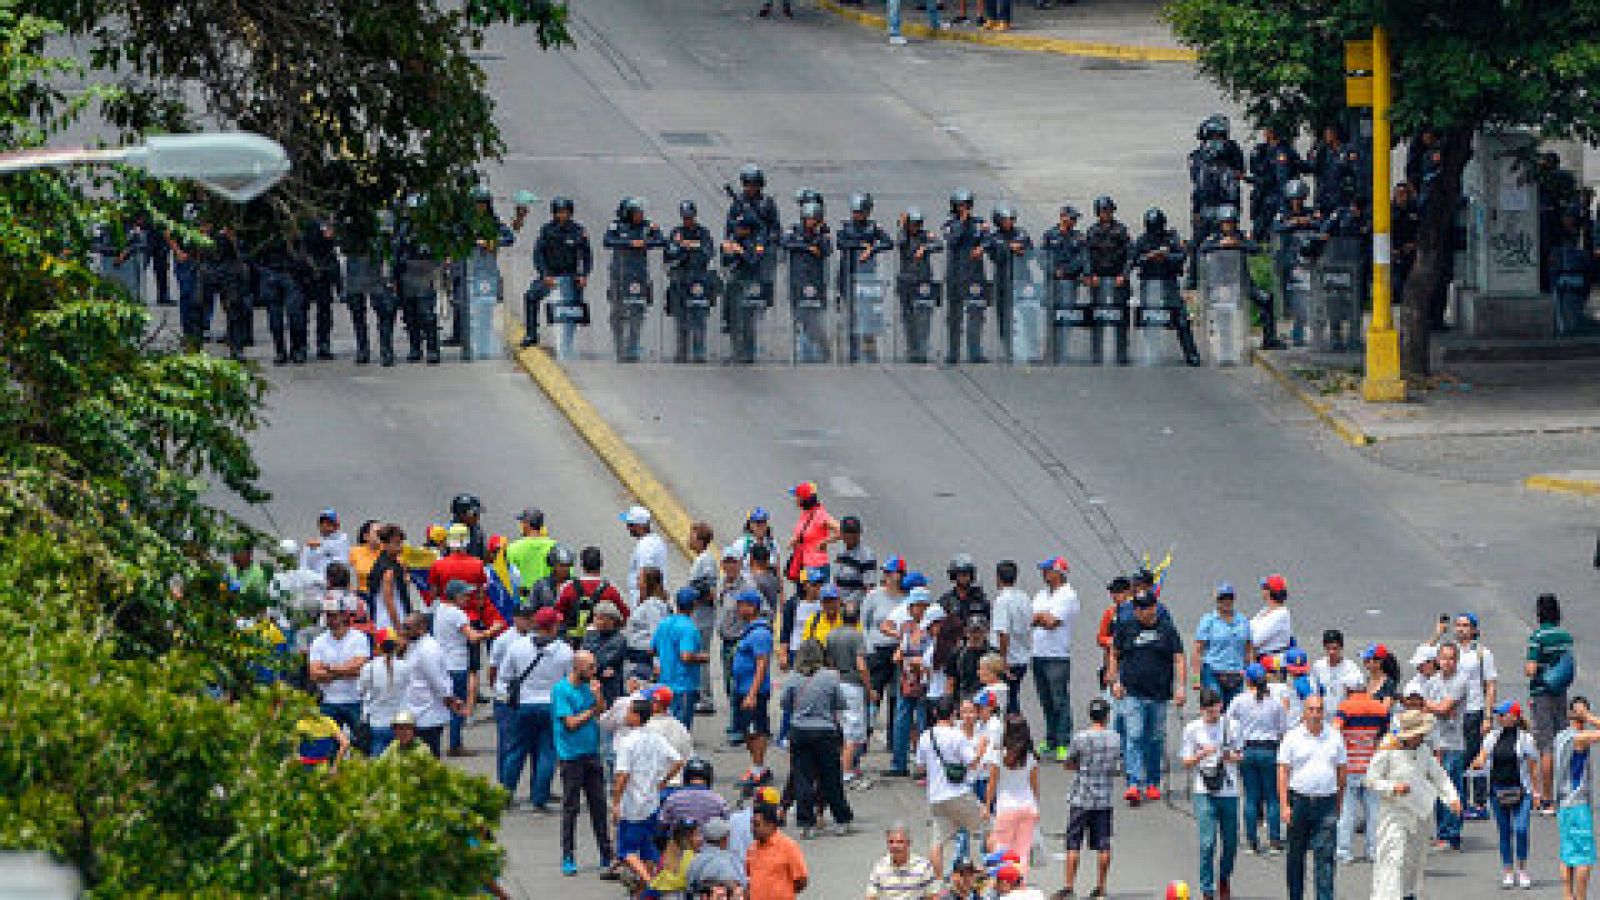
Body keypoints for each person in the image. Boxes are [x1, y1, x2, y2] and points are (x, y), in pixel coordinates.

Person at [1366, 708, 1460, 900]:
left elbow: (1439, 776)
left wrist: (1452, 798)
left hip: (1419, 813)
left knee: (1414, 861)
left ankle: (1409, 895)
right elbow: (1371, 780)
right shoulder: (1387, 750)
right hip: (1395, 813)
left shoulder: (1423, 750)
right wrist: (1393, 787)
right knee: (1394, 858)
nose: (1421, 737)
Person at [1107, 590, 1186, 803]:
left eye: (1144, 607)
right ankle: (1133, 782)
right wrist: (1114, 681)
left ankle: (1152, 781)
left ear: (1153, 607)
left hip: (1159, 694)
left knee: (1154, 738)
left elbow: (1178, 657)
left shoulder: (1166, 628)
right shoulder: (1127, 627)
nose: (1140, 611)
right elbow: (1114, 653)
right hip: (1132, 692)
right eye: (1137, 607)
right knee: (1134, 735)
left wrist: (1180, 687)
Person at [498, 607, 575, 811]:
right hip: (551, 704)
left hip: (524, 704)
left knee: (516, 751)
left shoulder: (518, 646)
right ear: (554, 626)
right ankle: (539, 798)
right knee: (547, 753)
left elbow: (504, 676)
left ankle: (506, 794)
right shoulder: (565, 651)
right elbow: (570, 681)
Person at [1277, 694, 1346, 900]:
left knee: (1325, 858)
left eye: (1319, 709)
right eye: (1311, 709)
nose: (1316, 714)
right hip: (1299, 801)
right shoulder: (1292, 736)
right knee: (1295, 856)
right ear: (1304, 712)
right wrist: (1284, 805)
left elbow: (1342, 771)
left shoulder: (1334, 736)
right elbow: (1283, 771)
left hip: (1326, 803)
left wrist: (1339, 804)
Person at [783, 638, 855, 837]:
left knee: (802, 778)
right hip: (825, 732)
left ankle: (807, 822)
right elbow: (840, 703)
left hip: (799, 731)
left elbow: (785, 703)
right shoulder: (830, 677)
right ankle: (842, 819)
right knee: (831, 777)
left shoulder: (793, 677)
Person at [552, 649, 614, 876]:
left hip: (591, 753)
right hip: (571, 756)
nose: (593, 671)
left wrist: (598, 697)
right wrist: (592, 709)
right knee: (571, 808)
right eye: (589, 667)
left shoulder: (591, 686)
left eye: (594, 666)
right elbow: (570, 723)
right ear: (576, 667)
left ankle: (606, 853)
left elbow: (602, 711)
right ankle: (568, 855)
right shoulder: (562, 690)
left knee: (599, 806)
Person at [1433, 611, 1498, 819]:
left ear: (1474, 630)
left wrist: (1488, 715)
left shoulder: (1482, 654)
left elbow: (1490, 685)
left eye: (1465, 625)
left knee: (1473, 755)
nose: (1460, 628)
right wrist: (1437, 635)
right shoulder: (1447, 651)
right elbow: (1424, 660)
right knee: (1456, 756)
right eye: (1458, 625)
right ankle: (1461, 800)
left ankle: (1479, 802)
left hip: (1473, 709)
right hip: (1452, 710)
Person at [612, 698, 685, 879]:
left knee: (626, 852)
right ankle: (651, 882)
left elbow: (623, 775)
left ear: (637, 717)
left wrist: (615, 803)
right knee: (647, 850)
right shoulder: (656, 739)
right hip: (652, 803)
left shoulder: (627, 742)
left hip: (632, 806)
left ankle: (649, 882)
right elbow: (678, 761)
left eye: (629, 712)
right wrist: (663, 781)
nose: (626, 715)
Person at [1472, 700, 1541, 889]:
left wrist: (1536, 792)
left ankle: (1522, 869)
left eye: (1504, 714)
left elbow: (1533, 767)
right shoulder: (1492, 737)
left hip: (1521, 791)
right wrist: (1477, 762)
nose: (1500, 718)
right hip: (1498, 791)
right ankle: (1508, 871)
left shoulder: (1525, 739)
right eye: (1498, 715)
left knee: (1521, 829)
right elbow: (1482, 756)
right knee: (1504, 831)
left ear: (1515, 716)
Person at [1182, 688, 1242, 900]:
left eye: (1214, 711)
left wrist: (1228, 756)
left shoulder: (1232, 725)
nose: (1212, 715)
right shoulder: (1192, 729)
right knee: (1207, 842)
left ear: (1221, 706)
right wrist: (1201, 754)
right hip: (1203, 789)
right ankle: (1207, 888)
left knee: (1231, 842)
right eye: (1207, 712)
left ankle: (1224, 877)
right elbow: (1186, 761)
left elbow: (1240, 755)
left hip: (1228, 789)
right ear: (1201, 710)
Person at [916, 696, 983, 874]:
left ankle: (937, 883)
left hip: (936, 796)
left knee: (938, 842)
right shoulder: (957, 735)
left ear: (935, 712)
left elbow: (920, 765)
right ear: (954, 714)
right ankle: (989, 877)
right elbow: (972, 762)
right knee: (986, 830)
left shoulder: (925, 736)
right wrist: (981, 750)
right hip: (958, 793)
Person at [1062, 696, 1120, 899]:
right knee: (1103, 843)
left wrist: (1081, 766)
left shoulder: (1080, 737)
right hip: (1103, 797)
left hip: (1081, 795)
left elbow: (1069, 762)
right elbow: (1116, 766)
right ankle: (1101, 887)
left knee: (1073, 842)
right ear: (1106, 716)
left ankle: (1069, 886)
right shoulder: (1115, 738)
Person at [1229, 662, 1287, 856]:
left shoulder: (1240, 700)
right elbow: (1281, 730)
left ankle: (1252, 841)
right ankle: (1274, 839)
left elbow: (1230, 722)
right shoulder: (1275, 703)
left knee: (1251, 797)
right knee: (1272, 796)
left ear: (1248, 680)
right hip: (1269, 750)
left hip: (1248, 749)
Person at [525, 196, 592, 350]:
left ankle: (567, 342)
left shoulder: (579, 231)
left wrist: (583, 275)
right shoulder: (547, 230)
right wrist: (544, 274)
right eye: (559, 212)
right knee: (531, 296)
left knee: (572, 308)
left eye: (565, 212)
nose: (562, 215)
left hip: (570, 276)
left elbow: (587, 256)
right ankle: (531, 334)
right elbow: (538, 254)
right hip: (551, 276)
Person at [1529, 592, 1576, 814]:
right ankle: (1566, 792)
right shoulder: (1565, 636)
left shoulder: (1538, 637)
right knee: (1563, 742)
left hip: (1542, 694)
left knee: (1545, 747)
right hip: (1560, 693)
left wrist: (1540, 669)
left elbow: (1530, 669)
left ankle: (1547, 799)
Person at [1334, 675, 1388, 863]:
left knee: (1347, 811)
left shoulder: (1345, 707)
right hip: (1372, 765)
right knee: (1374, 812)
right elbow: (1384, 734)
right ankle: (1373, 851)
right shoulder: (1379, 707)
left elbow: (1335, 730)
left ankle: (1344, 851)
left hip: (1350, 765)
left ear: (1349, 689)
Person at [435, 579, 492, 756]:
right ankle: (455, 744)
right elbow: (473, 637)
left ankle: (450, 742)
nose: (468, 598)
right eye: (465, 595)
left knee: (448, 703)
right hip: (457, 663)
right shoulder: (457, 614)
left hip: (444, 662)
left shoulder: (440, 610)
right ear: (457, 596)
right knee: (457, 706)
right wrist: (492, 631)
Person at [1030, 557, 1077, 759]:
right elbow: (1030, 619)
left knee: (1060, 700)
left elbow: (1052, 622)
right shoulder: (1041, 594)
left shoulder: (1068, 595)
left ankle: (1064, 741)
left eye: (1048, 570)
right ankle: (1051, 739)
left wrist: (1041, 617)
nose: (1044, 574)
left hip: (1057, 655)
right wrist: (1041, 616)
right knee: (1046, 700)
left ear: (1059, 572)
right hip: (1038, 653)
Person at [823, 598, 871, 785]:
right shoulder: (858, 636)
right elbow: (861, 666)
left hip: (836, 683)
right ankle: (847, 771)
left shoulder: (832, 635)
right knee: (853, 731)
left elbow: (829, 662)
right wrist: (870, 688)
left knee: (839, 728)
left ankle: (841, 766)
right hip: (853, 686)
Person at [731, 589, 777, 790]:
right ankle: (757, 766)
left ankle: (758, 769)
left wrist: (752, 693)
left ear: (753, 607)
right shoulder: (750, 630)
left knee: (756, 731)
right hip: (743, 689)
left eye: (742, 604)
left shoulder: (760, 633)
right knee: (747, 731)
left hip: (753, 691)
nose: (739, 608)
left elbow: (762, 664)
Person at [1428, 640, 1471, 850]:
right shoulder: (1433, 681)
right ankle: (1441, 832)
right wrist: (1433, 707)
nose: (1447, 662)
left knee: (1452, 787)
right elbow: (1429, 708)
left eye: (1451, 658)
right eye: (1443, 658)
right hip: (1435, 741)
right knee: (1437, 787)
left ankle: (1452, 834)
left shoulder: (1460, 681)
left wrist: (1433, 706)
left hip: (1453, 743)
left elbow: (1444, 709)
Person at [985, 714, 1040, 871]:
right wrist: (1036, 806)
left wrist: (987, 806)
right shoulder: (1030, 757)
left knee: (1002, 850)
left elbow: (992, 783)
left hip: (1006, 807)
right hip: (1028, 806)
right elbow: (1034, 785)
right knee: (1022, 853)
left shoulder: (1000, 755)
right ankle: (1020, 883)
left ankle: (1005, 886)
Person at [1558, 698, 1600, 900]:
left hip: (1563, 805)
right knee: (1584, 858)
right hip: (1578, 805)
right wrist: (1587, 716)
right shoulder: (1579, 738)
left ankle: (1568, 896)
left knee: (1567, 854)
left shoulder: (1560, 737)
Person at [308, 594, 369, 735]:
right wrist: (346, 671)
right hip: (329, 701)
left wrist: (329, 669)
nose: (331, 620)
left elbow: (359, 668)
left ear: (343, 615)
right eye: (328, 616)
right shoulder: (318, 641)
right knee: (329, 746)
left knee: (361, 743)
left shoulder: (359, 638)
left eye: (334, 615)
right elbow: (314, 674)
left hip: (355, 699)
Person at [1083, 195, 1131, 365]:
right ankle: (1097, 352)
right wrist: (1090, 274)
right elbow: (1087, 255)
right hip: (1099, 280)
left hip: (1117, 279)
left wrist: (1124, 275)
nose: (1106, 214)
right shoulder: (1092, 231)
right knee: (1098, 316)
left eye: (1108, 210)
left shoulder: (1121, 230)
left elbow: (1129, 256)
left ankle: (1121, 353)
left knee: (1120, 316)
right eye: (1103, 211)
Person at [401, 611, 457, 756]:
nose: (403, 631)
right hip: (417, 712)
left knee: (428, 759)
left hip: (428, 714)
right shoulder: (415, 646)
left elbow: (437, 680)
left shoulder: (428, 649)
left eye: (407, 627)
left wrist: (449, 699)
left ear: (421, 628)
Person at [655, 586, 710, 729]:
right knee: (681, 729)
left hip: (664, 682)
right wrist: (703, 657)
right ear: (694, 605)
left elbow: (652, 648)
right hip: (683, 685)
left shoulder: (664, 623)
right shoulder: (688, 628)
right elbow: (686, 656)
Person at [1193, 582, 1253, 713]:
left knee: (1234, 713)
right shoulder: (1208, 621)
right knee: (1214, 709)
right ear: (1217, 600)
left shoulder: (1243, 621)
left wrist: (1250, 674)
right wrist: (1196, 678)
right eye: (1222, 598)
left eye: (1229, 598)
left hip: (1236, 673)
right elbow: (1198, 650)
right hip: (1214, 673)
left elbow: (1248, 649)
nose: (1226, 602)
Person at [557, 545, 627, 645]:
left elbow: (558, 615)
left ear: (582, 565)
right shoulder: (611, 589)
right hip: (602, 644)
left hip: (572, 642)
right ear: (601, 564)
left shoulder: (567, 587)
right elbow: (624, 616)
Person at [358, 628, 412, 756]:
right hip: (399, 722)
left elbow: (361, 691)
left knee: (377, 763)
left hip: (377, 721)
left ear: (378, 645)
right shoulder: (405, 666)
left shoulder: (369, 668)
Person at [988, 561, 1031, 720]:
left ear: (998, 578)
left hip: (1006, 659)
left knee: (1002, 702)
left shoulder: (1002, 600)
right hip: (1022, 657)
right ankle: (1015, 735)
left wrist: (1003, 661)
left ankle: (1010, 736)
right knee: (1012, 697)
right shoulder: (1024, 598)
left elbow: (1003, 633)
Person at [746, 802, 809, 900]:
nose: (752, 829)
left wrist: (783, 892)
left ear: (770, 825)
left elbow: (801, 880)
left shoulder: (788, 846)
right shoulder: (752, 849)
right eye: (752, 824)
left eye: (756, 824)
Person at [786, 481, 839, 591]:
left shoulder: (820, 514)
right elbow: (805, 532)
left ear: (803, 499)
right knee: (803, 597)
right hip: (804, 563)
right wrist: (795, 540)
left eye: (797, 496)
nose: (795, 499)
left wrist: (825, 542)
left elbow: (840, 530)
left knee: (814, 599)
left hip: (816, 566)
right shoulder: (806, 513)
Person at [867, 822, 941, 900]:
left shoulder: (923, 866)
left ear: (908, 843)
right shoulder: (880, 866)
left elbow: (933, 895)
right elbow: (871, 896)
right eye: (891, 842)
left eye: (900, 842)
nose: (895, 846)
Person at [661, 757, 731, 828]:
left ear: (686, 777)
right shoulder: (718, 801)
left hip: (679, 838)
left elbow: (663, 824)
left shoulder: (672, 799)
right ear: (709, 777)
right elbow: (727, 825)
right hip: (707, 838)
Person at [368, 524, 412, 632]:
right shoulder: (388, 570)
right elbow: (389, 600)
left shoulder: (387, 563)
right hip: (390, 622)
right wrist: (398, 627)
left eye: (401, 542)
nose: (400, 546)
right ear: (385, 544)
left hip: (385, 618)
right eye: (396, 543)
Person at [621, 505, 668, 605]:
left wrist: (640, 605)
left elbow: (645, 576)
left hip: (644, 601)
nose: (627, 527)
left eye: (630, 524)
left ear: (640, 526)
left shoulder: (645, 547)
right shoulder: (656, 540)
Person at [1311, 629, 1361, 723]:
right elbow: (1314, 692)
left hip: (1344, 718)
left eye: (1334, 648)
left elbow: (1357, 694)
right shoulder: (1318, 666)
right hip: (1323, 718)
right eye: (1328, 648)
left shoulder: (1351, 668)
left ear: (1341, 648)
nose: (1331, 652)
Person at [1249, 574, 1293, 657]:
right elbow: (1248, 627)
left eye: (1264, 588)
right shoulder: (1264, 611)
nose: (1262, 590)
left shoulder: (1281, 614)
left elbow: (1257, 640)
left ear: (1269, 591)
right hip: (1259, 656)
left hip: (1273, 661)